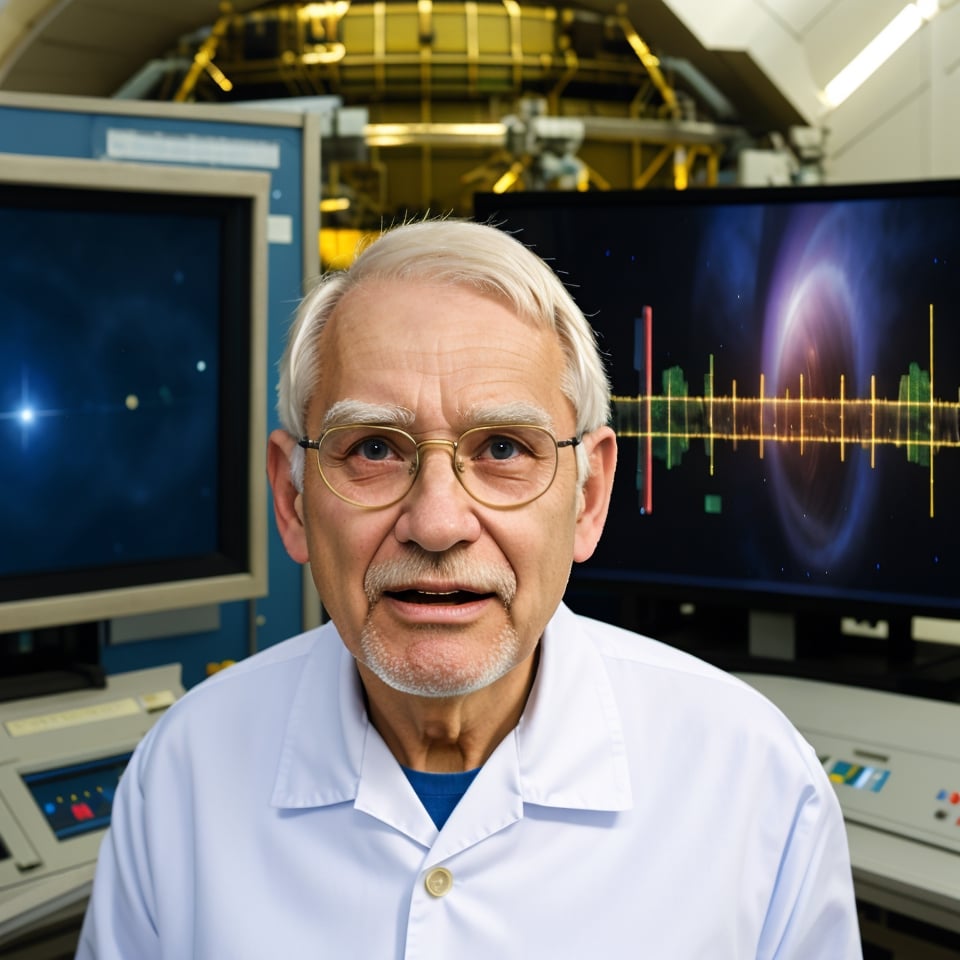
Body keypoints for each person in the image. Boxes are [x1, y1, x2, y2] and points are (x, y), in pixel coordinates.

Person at [76, 218, 863, 959]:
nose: (438, 521)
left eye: (503, 448)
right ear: (292, 500)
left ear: (588, 497)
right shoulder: (182, 774)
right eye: (375, 448)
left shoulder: (754, 784)